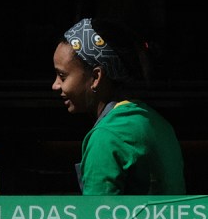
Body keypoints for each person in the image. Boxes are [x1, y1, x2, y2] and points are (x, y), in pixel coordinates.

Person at [51, 17, 186, 196]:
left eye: (62, 76)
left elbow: (98, 211)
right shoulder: (159, 123)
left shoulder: (107, 137)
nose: (55, 85)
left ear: (96, 77)